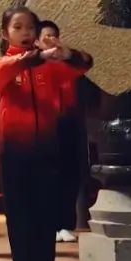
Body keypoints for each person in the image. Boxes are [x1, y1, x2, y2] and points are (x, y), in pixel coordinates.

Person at [0, 7, 92, 261]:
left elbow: (85, 64)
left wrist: (65, 53)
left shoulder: (49, 67)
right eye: (18, 27)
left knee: (46, 215)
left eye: (30, 27)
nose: (25, 32)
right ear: (5, 33)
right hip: (14, 152)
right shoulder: (1, 65)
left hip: (47, 149)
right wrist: (38, 56)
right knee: (21, 216)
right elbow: (12, 66)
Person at [38, 20, 86, 244]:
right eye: (45, 37)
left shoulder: (69, 63)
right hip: (45, 126)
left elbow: (85, 63)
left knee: (70, 176)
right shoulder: (35, 65)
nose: (50, 40)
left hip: (69, 124)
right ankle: (49, 224)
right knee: (48, 177)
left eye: (53, 36)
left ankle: (66, 224)